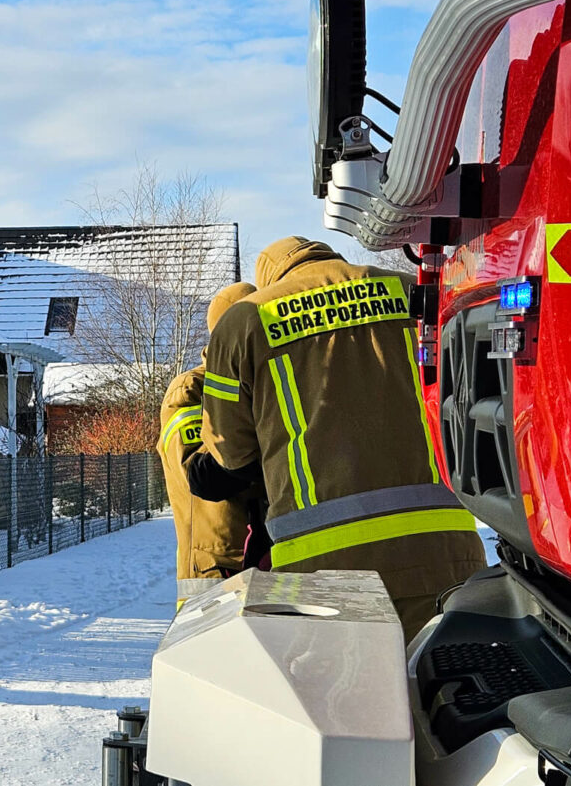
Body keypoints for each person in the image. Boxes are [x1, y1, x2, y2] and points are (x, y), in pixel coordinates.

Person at [187, 236, 485, 639]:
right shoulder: (411, 290)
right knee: (444, 688)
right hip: (446, 549)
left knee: (347, 694)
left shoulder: (244, 321)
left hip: (323, 567)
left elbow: (230, 457)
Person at [158, 282, 267, 609]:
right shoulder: (191, 389)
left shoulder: (264, 385)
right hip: (215, 573)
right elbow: (202, 475)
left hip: (263, 563)